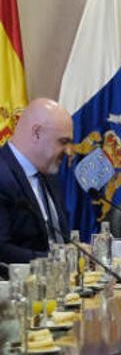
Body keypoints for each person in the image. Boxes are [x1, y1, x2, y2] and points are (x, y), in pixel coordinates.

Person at [0, 98, 73, 273]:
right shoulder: (2, 175)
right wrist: (54, 260)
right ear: (37, 133)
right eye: (63, 141)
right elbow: (1, 249)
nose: (69, 151)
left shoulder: (50, 174)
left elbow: (60, 237)